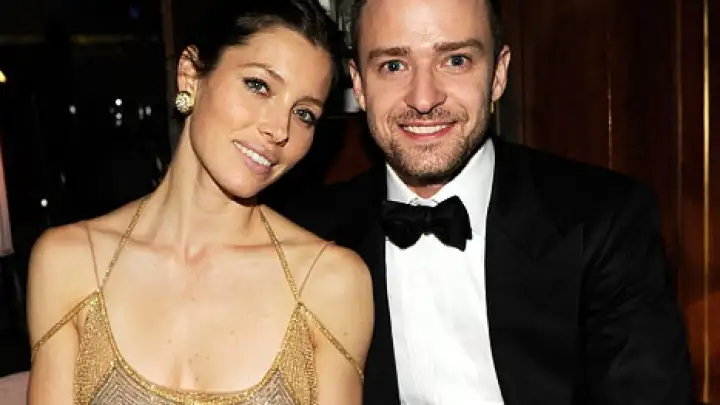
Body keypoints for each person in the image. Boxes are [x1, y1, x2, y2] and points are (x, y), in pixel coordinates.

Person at [280, 0, 694, 404]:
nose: (423, 99)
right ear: (358, 84)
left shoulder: (604, 220)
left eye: (455, 60)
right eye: (394, 65)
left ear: (498, 74)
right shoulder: (303, 238)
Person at [26, 1, 374, 404]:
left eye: (304, 113)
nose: (279, 130)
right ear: (191, 74)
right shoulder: (70, 264)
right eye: (258, 86)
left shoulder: (329, 282)